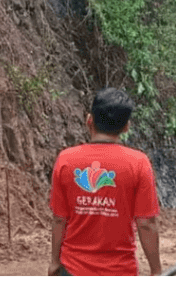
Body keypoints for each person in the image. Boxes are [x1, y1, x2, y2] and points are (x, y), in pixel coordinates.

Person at [48, 87, 162, 275]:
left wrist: (54, 261)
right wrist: (156, 271)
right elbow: (146, 223)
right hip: (119, 271)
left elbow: (59, 219)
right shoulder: (138, 163)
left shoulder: (66, 160)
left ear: (89, 120)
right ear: (126, 126)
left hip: (73, 270)